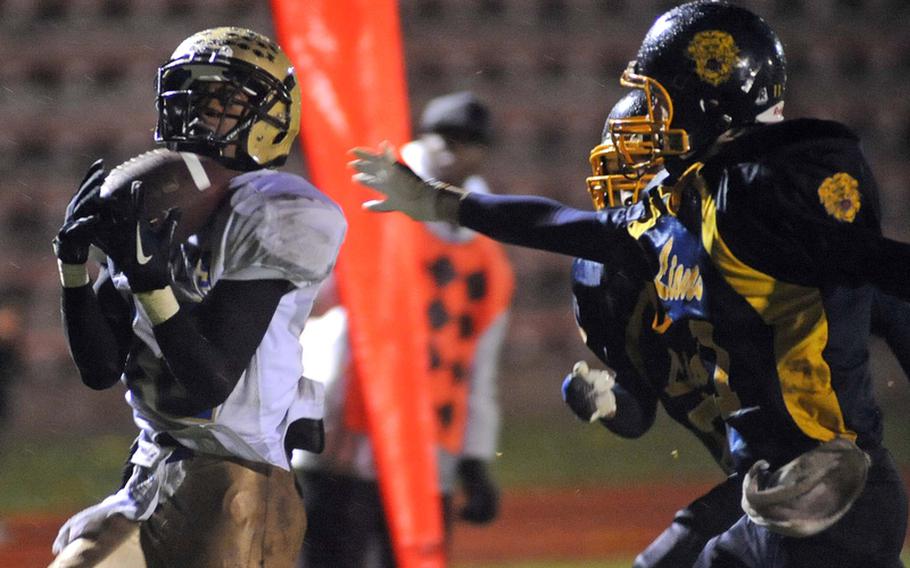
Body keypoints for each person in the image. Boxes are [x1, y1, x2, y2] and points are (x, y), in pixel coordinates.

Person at [350, 2, 909, 566]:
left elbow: (878, 277)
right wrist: (444, 202)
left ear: (706, 97)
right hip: (770, 481)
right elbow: (568, 226)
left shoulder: (761, 192)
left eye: (662, 107)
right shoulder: (679, 220)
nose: (657, 144)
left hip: (831, 482)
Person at [49, 27, 346, 568]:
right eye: (193, 94)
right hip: (153, 472)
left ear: (270, 117)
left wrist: (149, 282)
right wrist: (74, 269)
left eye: (223, 100)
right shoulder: (154, 202)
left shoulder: (281, 212)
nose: (201, 113)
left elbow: (212, 379)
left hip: (238, 482)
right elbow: (99, 369)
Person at [294, 91, 513, 568]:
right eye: (447, 139)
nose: (455, 152)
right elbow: (306, 305)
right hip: (347, 435)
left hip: (426, 445)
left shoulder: (488, 258)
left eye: (469, 142)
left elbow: (478, 365)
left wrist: (473, 457)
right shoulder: (374, 218)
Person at [562, 91, 743, 568]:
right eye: (620, 158)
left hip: (815, 471)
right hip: (757, 481)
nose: (622, 175)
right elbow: (641, 407)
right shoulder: (602, 280)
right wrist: (608, 401)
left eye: (642, 160)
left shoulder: (733, 242)